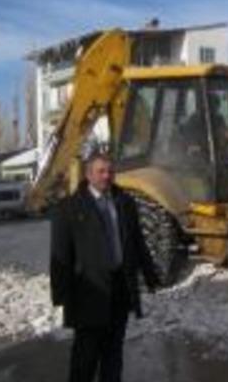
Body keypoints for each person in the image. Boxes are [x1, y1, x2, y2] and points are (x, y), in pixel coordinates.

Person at [50, 152, 159, 382]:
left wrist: (150, 275)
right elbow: (60, 254)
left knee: (113, 353)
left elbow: (137, 242)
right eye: (101, 171)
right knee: (85, 357)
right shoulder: (69, 208)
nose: (107, 176)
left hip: (120, 289)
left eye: (110, 171)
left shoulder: (125, 203)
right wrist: (60, 294)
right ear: (88, 174)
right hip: (88, 292)